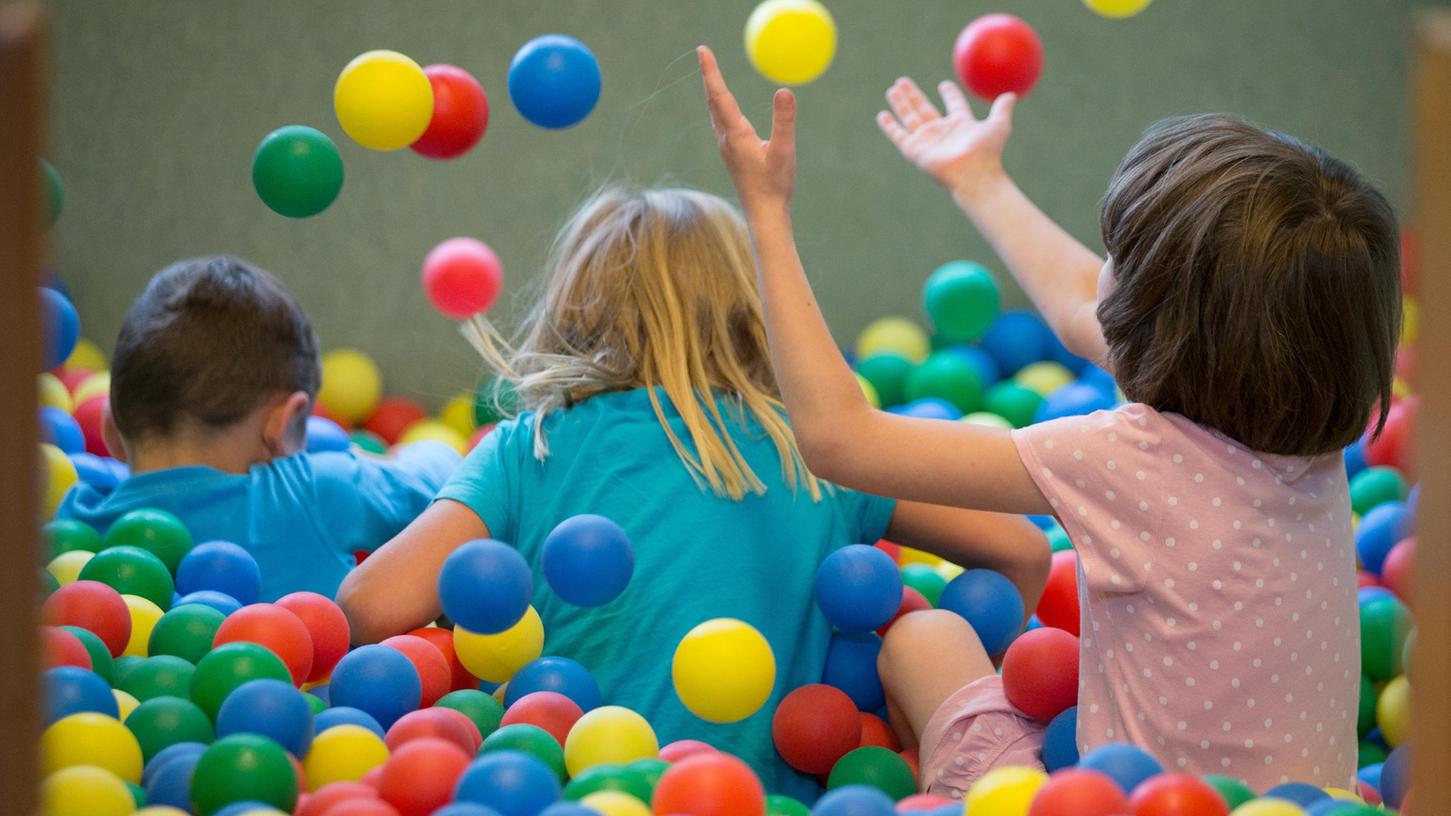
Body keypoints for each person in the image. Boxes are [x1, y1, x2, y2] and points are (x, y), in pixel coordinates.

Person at [696, 45, 1400, 796]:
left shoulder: (1128, 457)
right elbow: (1079, 306)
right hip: (1310, 806)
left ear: (1155, 321)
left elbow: (839, 440)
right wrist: (976, 178)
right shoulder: (1313, 424)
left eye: (1114, 258)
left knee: (924, 637)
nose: (1099, 278)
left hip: (1119, 807)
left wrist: (765, 213)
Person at [336, 187, 1048, 798]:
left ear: (576, 309)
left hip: (579, 794)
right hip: (767, 799)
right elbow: (1020, 548)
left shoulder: (530, 448)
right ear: (753, 309)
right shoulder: (817, 449)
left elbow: (368, 608)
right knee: (928, 633)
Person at [58, 256, 459, 601]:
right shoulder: (317, 490)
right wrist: (387, 457)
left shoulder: (74, 521)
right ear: (283, 426)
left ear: (111, 430)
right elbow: (447, 481)